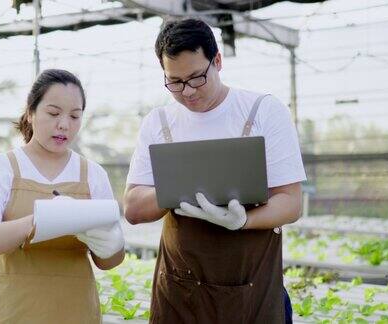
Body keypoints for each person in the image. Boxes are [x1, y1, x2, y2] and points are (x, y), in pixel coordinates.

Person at [123, 18, 306, 323]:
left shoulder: (261, 111)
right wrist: (181, 186)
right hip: (180, 293)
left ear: (217, 61)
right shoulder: (159, 123)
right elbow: (132, 208)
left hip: (252, 289)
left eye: (196, 78)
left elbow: (290, 201)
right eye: (175, 82)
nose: (188, 92)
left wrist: (244, 220)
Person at [0, 69, 125, 323]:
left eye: (75, 116)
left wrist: (111, 243)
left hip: (73, 310)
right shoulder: (0, 167)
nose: (64, 124)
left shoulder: (93, 175)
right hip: (7, 309)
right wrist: (38, 221)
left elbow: (108, 262)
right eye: (53, 113)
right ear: (31, 112)